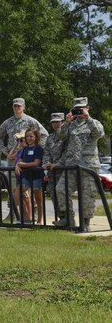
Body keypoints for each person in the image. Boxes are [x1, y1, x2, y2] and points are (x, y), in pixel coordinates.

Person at [53, 97, 105, 231]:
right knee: (60, 189)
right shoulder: (70, 124)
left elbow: (99, 134)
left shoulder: (93, 122)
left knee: (87, 195)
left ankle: (85, 223)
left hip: (88, 166)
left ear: (87, 108)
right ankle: (68, 219)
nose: (79, 111)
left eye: (81, 108)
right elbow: (61, 137)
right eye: (76, 109)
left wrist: (88, 118)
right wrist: (66, 122)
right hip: (71, 165)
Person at [0, 97, 48, 220]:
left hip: (28, 161)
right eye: (15, 106)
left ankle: (32, 215)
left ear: (24, 107)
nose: (17, 108)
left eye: (19, 106)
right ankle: (14, 213)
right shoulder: (7, 122)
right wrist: (4, 150)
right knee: (15, 188)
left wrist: (34, 148)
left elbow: (44, 135)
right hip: (14, 161)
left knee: (30, 188)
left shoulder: (30, 121)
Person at [15, 129, 45, 224]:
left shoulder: (38, 148)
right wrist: (17, 165)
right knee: (16, 195)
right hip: (26, 177)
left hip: (36, 177)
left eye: (31, 136)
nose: (29, 138)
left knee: (38, 199)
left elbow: (36, 163)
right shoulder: (25, 149)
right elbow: (20, 160)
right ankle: (26, 218)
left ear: (36, 137)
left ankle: (40, 221)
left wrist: (21, 165)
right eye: (27, 136)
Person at [43, 113, 66, 219]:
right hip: (52, 171)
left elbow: (67, 153)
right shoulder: (50, 137)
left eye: (57, 122)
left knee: (62, 193)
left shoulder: (66, 136)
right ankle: (60, 218)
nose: (55, 124)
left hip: (63, 170)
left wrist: (58, 164)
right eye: (53, 122)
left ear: (62, 122)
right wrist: (47, 163)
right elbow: (46, 152)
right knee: (53, 194)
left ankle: (67, 217)